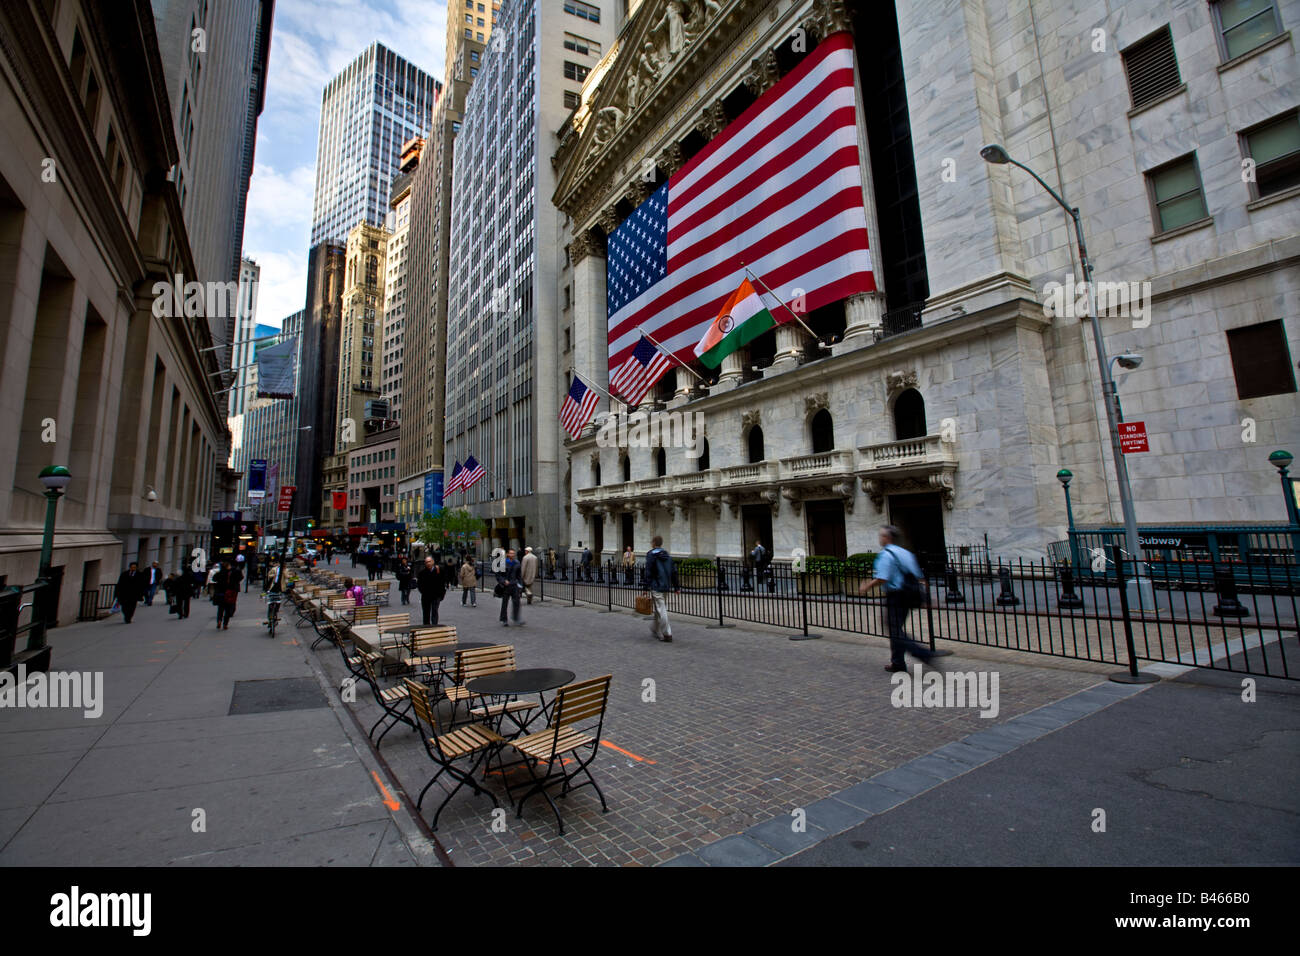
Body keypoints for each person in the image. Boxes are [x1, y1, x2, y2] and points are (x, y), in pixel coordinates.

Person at [860, 525, 936, 672]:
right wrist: (927, 597)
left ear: (887, 538)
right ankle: (898, 663)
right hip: (907, 596)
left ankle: (924, 654)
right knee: (895, 629)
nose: (880, 538)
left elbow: (882, 578)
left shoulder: (886, 555)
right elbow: (919, 577)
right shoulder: (906, 553)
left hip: (895, 596)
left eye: (881, 536)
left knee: (894, 630)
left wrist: (866, 587)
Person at [642, 536, 679, 642]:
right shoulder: (667, 555)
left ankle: (667, 634)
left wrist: (645, 587)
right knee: (659, 608)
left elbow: (648, 572)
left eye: (651, 542)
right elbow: (674, 572)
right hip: (666, 585)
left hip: (656, 586)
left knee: (661, 609)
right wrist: (676, 587)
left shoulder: (651, 555)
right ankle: (655, 628)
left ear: (653, 543)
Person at [417, 556, 446, 626]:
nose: (428, 563)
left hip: (436, 596)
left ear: (433, 562)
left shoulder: (439, 571)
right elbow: (419, 584)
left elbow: (442, 583)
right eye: (426, 562)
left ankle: (434, 626)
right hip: (426, 596)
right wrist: (423, 592)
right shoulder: (422, 573)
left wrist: (441, 594)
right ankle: (426, 627)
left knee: (434, 612)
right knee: (426, 613)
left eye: (429, 561)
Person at [214, 560, 243, 630]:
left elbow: (214, 578)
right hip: (229, 592)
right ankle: (225, 624)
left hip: (221, 592)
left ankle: (219, 621)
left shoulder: (220, 573)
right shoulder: (232, 573)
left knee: (220, 608)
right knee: (227, 609)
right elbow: (240, 578)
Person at [497, 548, 523, 626]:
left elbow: (519, 575)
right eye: (511, 553)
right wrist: (503, 581)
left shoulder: (517, 563)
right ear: (508, 554)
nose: (512, 555)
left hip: (514, 585)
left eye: (513, 553)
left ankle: (516, 618)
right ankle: (504, 619)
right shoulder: (503, 563)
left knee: (517, 602)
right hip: (506, 586)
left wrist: (520, 584)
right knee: (505, 603)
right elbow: (498, 575)